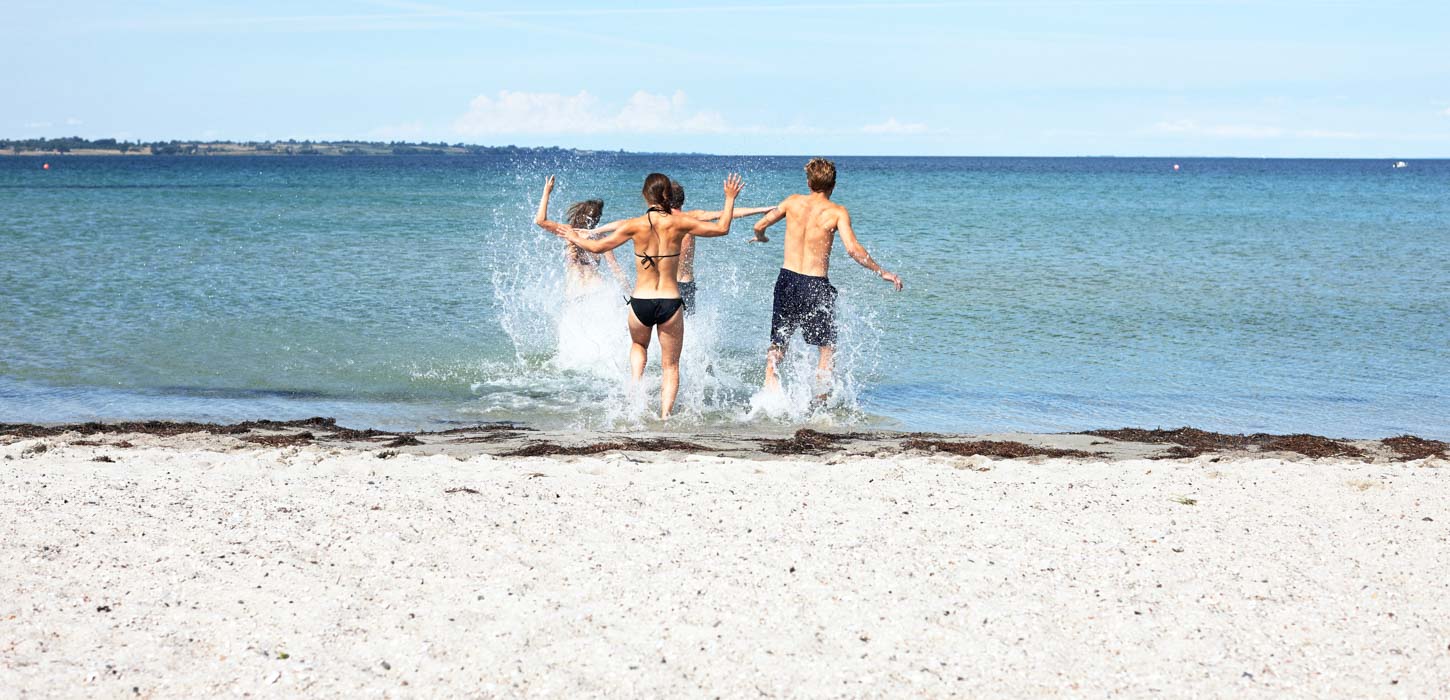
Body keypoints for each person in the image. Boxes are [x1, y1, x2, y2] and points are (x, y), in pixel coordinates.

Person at [538, 172, 745, 419]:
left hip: (640, 303)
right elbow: (722, 228)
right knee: (670, 365)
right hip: (670, 301)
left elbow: (597, 247)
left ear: (645, 196)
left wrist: (573, 235)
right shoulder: (680, 223)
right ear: (667, 195)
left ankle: (635, 390)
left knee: (638, 346)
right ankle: (665, 416)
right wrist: (730, 198)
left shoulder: (633, 225)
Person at [749, 158, 903, 397]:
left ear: (809, 183)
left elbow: (760, 224)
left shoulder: (792, 202)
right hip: (815, 285)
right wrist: (881, 271)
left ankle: (770, 383)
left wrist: (761, 237)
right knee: (827, 348)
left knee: (779, 342)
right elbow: (853, 249)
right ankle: (820, 403)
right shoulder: (837, 212)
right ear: (833, 185)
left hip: (787, 279)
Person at [579, 181, 772, 313]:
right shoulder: (689, 219)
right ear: (682, 200)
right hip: (685, 285)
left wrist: (595, 231)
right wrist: (762, 209)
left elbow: (623, 223)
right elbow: (728, 214)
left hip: (661, 287)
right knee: (684, 333)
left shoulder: (655, 220)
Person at [533, 177, 627, 297]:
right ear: (597, 218)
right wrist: (630, 293)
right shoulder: (601, 238)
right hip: (597, 289)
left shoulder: (569, 232)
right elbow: (615, 268)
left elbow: (540, 221)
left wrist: (546, 192)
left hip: (575, 290)